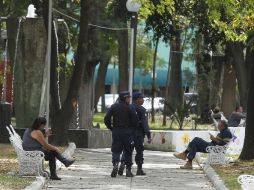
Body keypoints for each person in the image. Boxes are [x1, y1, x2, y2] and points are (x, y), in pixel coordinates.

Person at [104, 91, 139, 177]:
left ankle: (115, 164)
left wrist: (111, 127)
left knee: (116, 149)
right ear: (125, 98)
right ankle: (128, 170)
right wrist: (132, 129)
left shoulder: (114, 107)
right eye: (128, 98)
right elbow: (135, 121)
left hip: (116, 131)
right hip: (127, 132)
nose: (129, 99)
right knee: (128, 150)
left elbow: (106, 119)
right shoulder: (130, 108)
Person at [118, 92, 152, 176]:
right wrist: (148, 134)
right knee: (139, 151)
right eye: (142, 98)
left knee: (127, 150)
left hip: (127, 133)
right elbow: (144, 123)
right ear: (137, 100)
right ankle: (139, 169)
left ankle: (122, 163)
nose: (143, 100)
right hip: (138, 134)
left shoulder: (127, 107)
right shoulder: (141, 109)